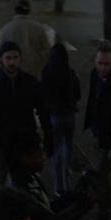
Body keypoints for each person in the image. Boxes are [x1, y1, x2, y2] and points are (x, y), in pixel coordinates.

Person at [0, 40, 53, 186]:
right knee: (3, 181)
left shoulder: (30, 82)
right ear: (1, 60)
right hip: (1, 142)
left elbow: (43, 110)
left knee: (26, 181)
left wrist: (49, 135)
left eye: (15, 58)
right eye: (8, 58)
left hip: (25, 141)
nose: (12, 62)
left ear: (20, 59)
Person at [7, 134, 92, 220]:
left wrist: (74, 197)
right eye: (38, 155)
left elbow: (47, 209)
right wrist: (85, 203)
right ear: (25, 158)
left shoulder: (30, 176)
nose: (44, 158)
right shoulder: (20, 191)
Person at [40, 43, 80, 196]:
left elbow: (42, 96)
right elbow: (77, 93)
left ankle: (59, 185)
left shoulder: (47, 73)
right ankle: (68, 167)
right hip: (70, 115)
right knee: (69, 142)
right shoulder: (70, 73)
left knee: (56, 150)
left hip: (54, 116)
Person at [0, 0, 52, 79]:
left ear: (15, 11)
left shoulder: (6, 29)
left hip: (13, 71)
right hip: (34, 70)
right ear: (29, 11)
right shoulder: (38, 28)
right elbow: (47, 51)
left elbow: (0, 52)